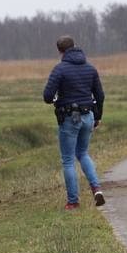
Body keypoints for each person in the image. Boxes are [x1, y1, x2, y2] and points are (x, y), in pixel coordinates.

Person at [43, 36, 105, 210]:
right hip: (88, 116)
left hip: (69, 117)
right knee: (83, 153)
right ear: (75, 47)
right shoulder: (90, 68)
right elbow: (100, 95)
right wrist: (98, 116)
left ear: (60, 51)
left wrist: (56, 98)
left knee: (68, 160)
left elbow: (47, 96)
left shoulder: (60, 69)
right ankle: (96, 188)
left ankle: (73, 202)